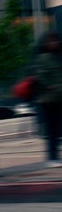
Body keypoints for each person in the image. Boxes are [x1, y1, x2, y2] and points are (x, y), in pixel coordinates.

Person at [32, 31, 62, 168]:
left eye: (55, 41)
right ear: (46, 43)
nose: (53, 43)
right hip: (48, 100)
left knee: (56, 130)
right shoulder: (42, 58)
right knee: (52, 130)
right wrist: (52, 86)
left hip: (59, 99)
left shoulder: (59, 56)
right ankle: (52, 157)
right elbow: (41, 78)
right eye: (51, 41)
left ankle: (54, 156)